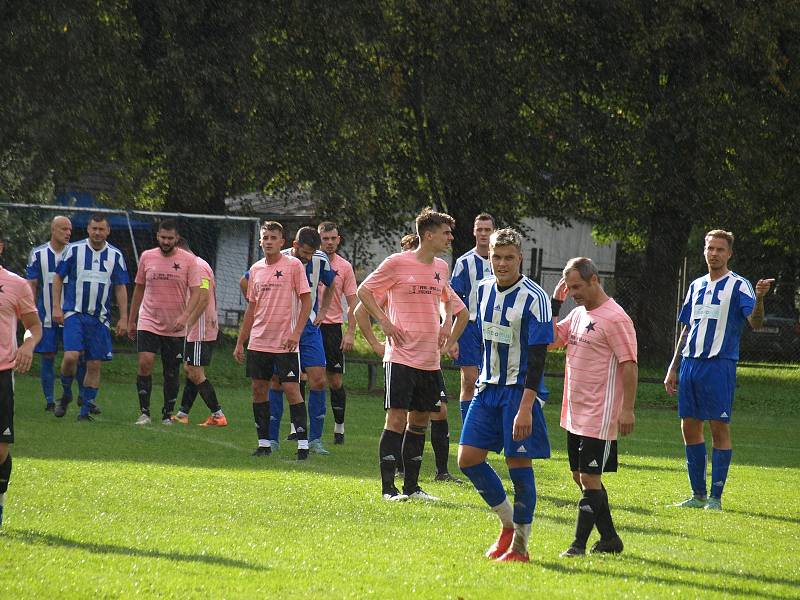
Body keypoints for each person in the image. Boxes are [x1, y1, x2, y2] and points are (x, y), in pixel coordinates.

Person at [358, 208, 468, 501]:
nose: (450, 238)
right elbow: (364, 291)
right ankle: (388, 490)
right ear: (428, 235)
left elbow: (451, 304)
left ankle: (412, 487)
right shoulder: (396, 262)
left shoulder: (442, 268)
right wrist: (384, 320)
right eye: (446, 232)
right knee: (396, 420)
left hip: (430, 361)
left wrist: (446, 325)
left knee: (419, 421)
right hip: (401, 357)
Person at [457, 228, 553, 563]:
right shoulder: (482, 290)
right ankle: (508, 523)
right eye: (497, 257)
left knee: (518, 465)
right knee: (468, 459)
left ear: (520, 258)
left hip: (517, 393)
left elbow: (539, 358)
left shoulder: (535, 297)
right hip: (487, 389)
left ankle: (521, 548)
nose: (501, 263)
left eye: (508, 257)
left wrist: (526, 407)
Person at [664, 230, 773, 511]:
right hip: (690, 364)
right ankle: (697, 494)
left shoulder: (739, 285)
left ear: (729, 254)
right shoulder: (696, 285)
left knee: (718, 426)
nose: (714, 253)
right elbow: (687, 327)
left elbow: (755, 322)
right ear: (704, 251)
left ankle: (716, 497)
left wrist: (760, 298)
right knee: (689, 425)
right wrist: (673, 366)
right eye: (710, 248)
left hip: (719, 364)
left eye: (720, 249)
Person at [551, 257, 637, 557]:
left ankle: (577, 545)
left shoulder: (616, 318)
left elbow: (629, 365)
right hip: (574, 411)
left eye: (578, 286)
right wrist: (554, 304)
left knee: (589, 478)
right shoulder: (576, 315)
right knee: (581, 477)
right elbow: (550, 341)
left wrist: (627, 409)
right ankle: (610, 539)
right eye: (570, 287)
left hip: (600, 414)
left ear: (594, 280)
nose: (574, 292)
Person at [234, 221, 312, 460]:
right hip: (259, 342)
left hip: (285, 342)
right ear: (260, 242)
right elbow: (251, 308)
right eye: (265, 237)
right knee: (259, 390)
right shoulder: (256, 269)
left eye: (273, 237)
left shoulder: (293, 265)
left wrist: (296, 333)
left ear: (282, 242)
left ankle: (303, 445)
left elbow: (306, 302)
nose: (268, 241)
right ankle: (264, 443)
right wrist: (240, 342)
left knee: (291, 389)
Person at [51, 214, 129, 421]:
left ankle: (84, 412)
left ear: (108, 231)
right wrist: (56, 307)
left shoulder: (115, 255)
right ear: (87, 229)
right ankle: (66, 393)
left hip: (99, 319)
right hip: (74, 313)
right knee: (71, 357)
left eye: (101, 229)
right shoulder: (73, 250)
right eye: (94, 228)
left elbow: (120, 286)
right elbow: (58, 277)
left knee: (94, 364)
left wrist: (124, 317)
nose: (97, 232)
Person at [128, 219, 204, 425]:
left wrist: (185, 316)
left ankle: (167, 413)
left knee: (171, 370)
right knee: (145, 362)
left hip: (175, 325)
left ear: (177, 238)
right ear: (157, 236)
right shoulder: (147, 256)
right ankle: (144, 412)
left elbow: (197, 292)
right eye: (163, 237)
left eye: (170, 238)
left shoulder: (190, 261)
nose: (166, 241)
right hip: (149, 320)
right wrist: (131, 319)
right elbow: (139, 288)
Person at [268, 227, 335, 454]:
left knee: (318, 380)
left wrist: (324, 310)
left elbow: (331, 283)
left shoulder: (320, 259)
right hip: (281, 327)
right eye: (304, 252)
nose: (307, 258)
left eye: (311, 253)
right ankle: (271, 439)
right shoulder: (279, 258)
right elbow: (249, 281)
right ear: (295, 245)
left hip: (308, 328)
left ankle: (315, 440)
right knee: (277, 380)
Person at [26, 216, 89, 413]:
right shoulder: (38, 254)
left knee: (78, 354)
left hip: (72, 314)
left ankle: (82, 395)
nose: (68, 233)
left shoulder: (77, 253)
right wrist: (29, 312)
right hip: (46, 315)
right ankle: (50, 400)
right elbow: (32, 284)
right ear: (53, 230)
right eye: (63, 229)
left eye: (70, 229)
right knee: (48, 355)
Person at [0, 262, 42, 526]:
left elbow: (34, 326)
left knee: (1, 451)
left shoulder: (16, 284)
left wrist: (28, 345)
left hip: (2, 372)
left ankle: (1, 500)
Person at [170, 238, 226, 427]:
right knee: (190, 369)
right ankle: (183, 413)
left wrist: (188, 322)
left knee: (195, 371)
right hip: (197, 326)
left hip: (201, 327)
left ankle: (217, 414)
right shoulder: (193, 266)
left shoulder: (199, 267)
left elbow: (202, 299)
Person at [450, 213, 495, 422]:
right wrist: (452, 336)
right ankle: (469, 434)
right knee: (470, 381)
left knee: (490, 381)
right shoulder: (464, 262)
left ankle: (482, 434)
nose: (484, 233)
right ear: (474, 232)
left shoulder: (502, 262)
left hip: (494, 327)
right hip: (469, 327)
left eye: (487, 229)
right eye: (480, 229)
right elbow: (452, 299)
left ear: (493, 231)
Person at [317, 221, 358, 445]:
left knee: (334, 381)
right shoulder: (308, 262)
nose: (330, 242)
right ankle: (302, 428)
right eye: (325, 239)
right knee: (309, 378)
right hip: (310, 327)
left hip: (333, 328)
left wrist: (350, 332)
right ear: (318, 239)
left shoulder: (345, 267)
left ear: (338, 240)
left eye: (333, 238)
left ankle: (339, 428)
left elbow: (353, 303)